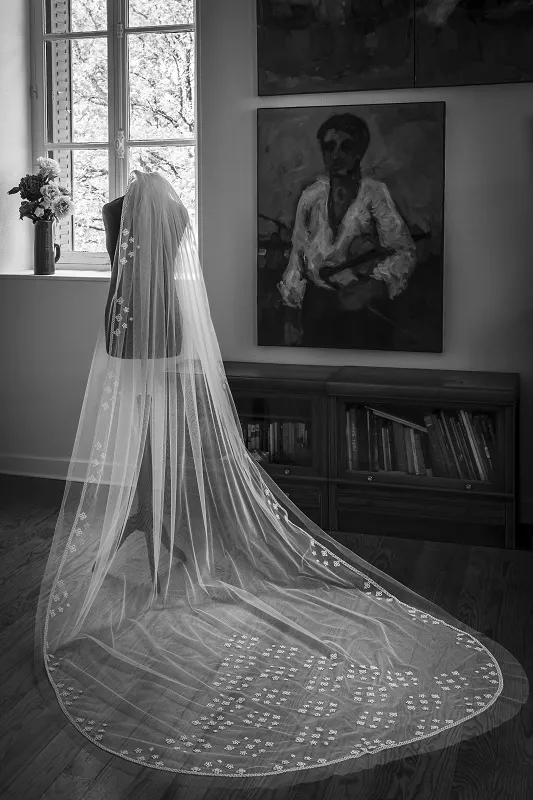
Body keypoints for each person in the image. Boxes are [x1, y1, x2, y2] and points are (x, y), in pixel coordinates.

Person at [35, 171, 527, 793]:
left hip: (147, 328)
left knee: (157, 436)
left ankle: (153, 525)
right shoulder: (139, 207)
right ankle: (146, 519)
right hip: (136, 329)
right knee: (142, 433)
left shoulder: (157, 207)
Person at [278, 113, 417, 349]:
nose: (336, 155)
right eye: (329, 147)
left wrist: (372, 287)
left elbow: (404, 253)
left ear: (359, 152)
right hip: (317, 306)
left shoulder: (374, 194)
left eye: (346, 147)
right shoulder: (311, 196)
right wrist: (291, 309)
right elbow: (297, 256)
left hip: (362, 310)